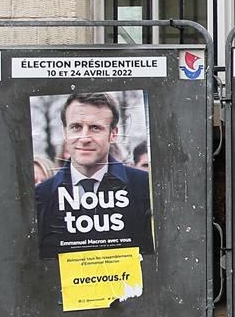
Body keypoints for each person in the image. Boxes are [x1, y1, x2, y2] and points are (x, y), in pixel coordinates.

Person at [33, 92, 153, 257]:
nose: (84, 138)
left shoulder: (145, 188)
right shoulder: (41, 197)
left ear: (113, 133)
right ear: (65, 132)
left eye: (95, 128)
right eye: (76, 127)